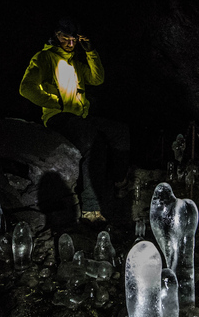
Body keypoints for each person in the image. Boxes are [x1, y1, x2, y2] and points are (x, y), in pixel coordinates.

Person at [19, 17, 130, 224]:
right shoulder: (44, 58)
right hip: (58, 117)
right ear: (56, 36)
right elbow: (26, 88)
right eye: (65, 39)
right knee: (92, 141)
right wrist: (54, 102)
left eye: (73, 40)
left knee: (120, 131)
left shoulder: (77, 62)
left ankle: (120, 181)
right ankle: (91, 208)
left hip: (81, 116)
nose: (70, 44)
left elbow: (98, 79)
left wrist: (89, 51)